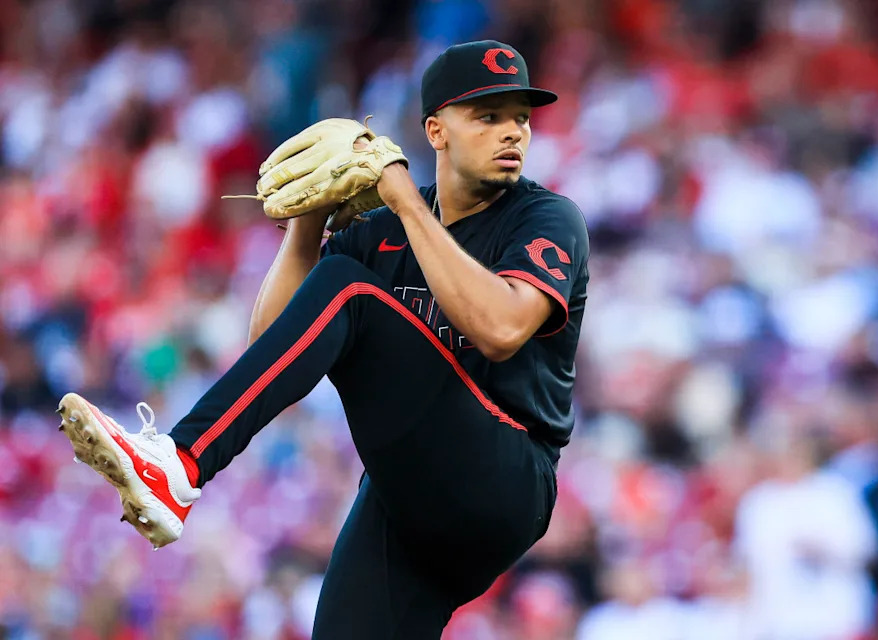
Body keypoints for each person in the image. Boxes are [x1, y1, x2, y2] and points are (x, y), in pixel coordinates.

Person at [56, 39, 589, 638]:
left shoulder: (545, 217)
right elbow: (272, 349)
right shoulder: (382, 230)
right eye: (488, 116)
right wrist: (308, 222)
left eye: (520, 116)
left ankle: (179, 464)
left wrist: (406, 204)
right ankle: (177, 466)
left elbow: (501, 330)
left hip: (505, 475)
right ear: (436, 131)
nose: (513, 132)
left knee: (349, 289)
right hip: (405, 496)